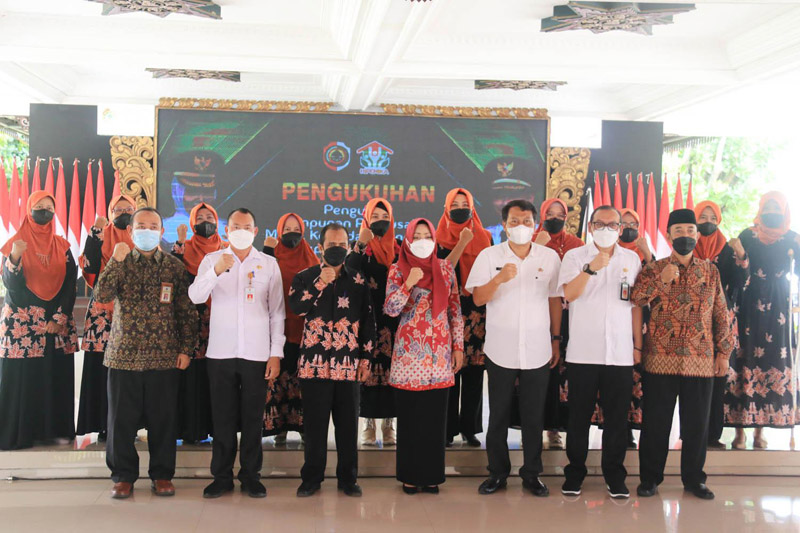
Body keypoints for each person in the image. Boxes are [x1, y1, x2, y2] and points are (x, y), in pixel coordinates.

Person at [94, 207, 198, 500]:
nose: (148, 231)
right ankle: (123, 477)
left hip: (164, 356)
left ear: (162, 232)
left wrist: (186, 349)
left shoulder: (173, 267)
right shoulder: (121, 261)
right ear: (130, 230)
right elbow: (101, 296)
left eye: (153, 226)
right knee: (120, 423)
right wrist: (114, 261)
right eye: (141, 225)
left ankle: (162, 475)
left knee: (163, 421)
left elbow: (186, 312)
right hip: (123, 355)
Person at [632, 208, 732, 501]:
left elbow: (721, 314)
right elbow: (636, 298)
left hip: (701, 360)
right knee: (655, 424)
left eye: (690, 230)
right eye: (679, 231)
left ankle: (694, 479)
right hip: (659, 360)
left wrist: (723, 353)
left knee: (697, 426)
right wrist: (660, 280)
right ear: (668, 235)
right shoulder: (654, 268)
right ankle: (649, 479)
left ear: (697, 235)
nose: (685, 235)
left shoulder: (710, 271)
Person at [466, 199, 562, 497]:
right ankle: (497, 473)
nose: (521, 227)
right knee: (498, 415)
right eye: (515, 222)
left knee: (534, 416)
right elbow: (478, 298)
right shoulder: (489, 255)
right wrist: (499, 278)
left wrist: (556, 339)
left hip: (537, 348)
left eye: (527, 222)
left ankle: (532, 474)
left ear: (535, 225)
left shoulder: (549, 257)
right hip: (500, 348)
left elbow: (555, 299)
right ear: (504, 225)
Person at [189, 207, 285, 499]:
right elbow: (196, 296)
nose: (241, 232)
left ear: (255, 231)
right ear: (226, 230)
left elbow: (277, 312)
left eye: (246, 227)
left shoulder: (268, 264)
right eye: (235, 227)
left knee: (253, 419)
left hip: (257, 354)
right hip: (221, 353)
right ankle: (221, 477)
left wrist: (275, 353)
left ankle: (251, 476)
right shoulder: (212, 259)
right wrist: (216, 272)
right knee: (223, 418)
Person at [559, 205, 643, 499]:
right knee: (578, 418)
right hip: (583, 352)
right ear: (591, 227)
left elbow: (635, 305)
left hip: (619, 353)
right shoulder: (575, 256)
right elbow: (568, 294)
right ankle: (574, 474)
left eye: (612, 225)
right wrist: (591, 267)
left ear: (621, 229)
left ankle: (614, 475)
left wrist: (637, 345)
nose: (606, 229)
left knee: (617, 420)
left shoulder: (631, 259)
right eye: (600, 224)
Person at [290, 222, 377, 498]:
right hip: (314, 367)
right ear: (320, 247)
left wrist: (366, 360)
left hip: (347, 366)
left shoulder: (359, 281)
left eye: (342, 245)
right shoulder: (304, 277)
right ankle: (311, 479)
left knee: (348, 427)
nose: (337, 249)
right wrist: (320, 283)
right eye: (331, 245)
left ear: (348, 247)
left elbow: (368, 322)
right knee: (314, 427)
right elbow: (297, 308)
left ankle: (348, 479)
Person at [384, 218, 465, 494]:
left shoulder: (445, 268)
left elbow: (455, 309)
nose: (422, 241)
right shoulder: (397, 269)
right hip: (409, 358)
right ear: (407, 240)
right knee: (410, 420)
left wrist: (458, 346)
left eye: (426, 236)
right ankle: (409, 476)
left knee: (434, 420)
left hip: (440, 356)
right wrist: (408, 283)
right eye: (416, 236)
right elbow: (391, 309)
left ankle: (431, 476)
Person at [0, 191, 78, 450]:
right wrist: (15, 258)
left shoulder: (63, 247)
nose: (45, 211)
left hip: (56, 323)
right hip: (23, 324)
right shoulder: (15, 243)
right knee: (23, 379)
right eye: (40, 206)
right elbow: (12, 287)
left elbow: (70, 285)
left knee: (55, 375)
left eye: (49, 207)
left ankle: (54, 431)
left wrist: (58, 318)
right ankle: (21, 434)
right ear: (29, 210)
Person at [727, 192, 799, 447]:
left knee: (772, 360)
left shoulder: (792, 238)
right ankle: (740, 431)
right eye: (767, 207)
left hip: (779, 305)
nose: (771, 212)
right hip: (749, 302)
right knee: (745, 359)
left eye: (776, 207)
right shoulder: (748, 235)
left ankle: (760, 431)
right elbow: (736, 269)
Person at [435, 188, 492, 447]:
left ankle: (470, 428)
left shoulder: (485, 237)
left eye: (464, 204)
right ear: (447, 208)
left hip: (476, 311)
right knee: (449, 373)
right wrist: (462, 243)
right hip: (448, 311)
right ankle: (446, 429)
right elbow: (441, 272)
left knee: (474, 372)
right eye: (455, 204)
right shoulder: (437, 238)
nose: (460, 208)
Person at [76, 194, 136, 440]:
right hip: (102, 313)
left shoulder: (140, 236)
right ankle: (103, 423)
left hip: (133, 314)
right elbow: (89, 267)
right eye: (118, 210)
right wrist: (95, 233)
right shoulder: (101, 236)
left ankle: (130, 425)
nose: (124, 213)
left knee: (131, 371)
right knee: (101, 370)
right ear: (111, 214)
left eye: (128, 209)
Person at [691, 201, 749, 449]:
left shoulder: (726, 249)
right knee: (692, 378)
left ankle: (713, 434)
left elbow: (740, 281)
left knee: (717, 376)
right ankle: (692, 433)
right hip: (691, 320)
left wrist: (741, 255)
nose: (707, 222)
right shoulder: (687, 245)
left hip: (719, 321)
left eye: (712, 217)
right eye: (702, 217)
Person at [172, 202, 227, 444]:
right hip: (190, 320)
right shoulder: (184, 248)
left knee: (215, 376)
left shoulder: (226, 250)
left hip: (220, 322)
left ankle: (216, 429)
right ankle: (190, 430)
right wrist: (180, 242)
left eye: (210, 217)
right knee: (191, 376)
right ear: (193, 222)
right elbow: (174, 273)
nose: (206, 222)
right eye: (200, 217)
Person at [533, 198, 585, 449]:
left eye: (559, 214)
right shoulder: (532, 242)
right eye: (549, 214)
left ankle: (556, 428)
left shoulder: (577, 245)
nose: (554, 218)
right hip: (536, 313)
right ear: (542, 215)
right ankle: (533, 426)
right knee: (539, 371)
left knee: (563, 371)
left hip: (570, 317)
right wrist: (537, 247)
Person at [262, 213, 318, 444]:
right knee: (278, 379)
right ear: (279, 232)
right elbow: (261, 282)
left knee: (301, 380)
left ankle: (304, 428)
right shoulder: (270, 256)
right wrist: (267, 252)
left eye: (296, 229)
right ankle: (279, 428)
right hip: (276, 328)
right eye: (287, 229)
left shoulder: (311, 257)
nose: (291, 233)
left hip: (304, 330)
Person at [348, 198, 400, 446]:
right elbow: (349, 271)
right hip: (366, 317)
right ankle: (367, 422)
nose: (380, 221)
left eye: (384, 216)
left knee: (391, 370)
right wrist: (361, 243)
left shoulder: (400, 248)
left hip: (394, 319)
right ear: (367, 220)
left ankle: (389, 422)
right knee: (366, 368)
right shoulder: (359, 247)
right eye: (375, 217)